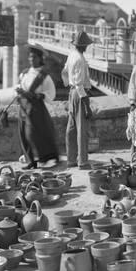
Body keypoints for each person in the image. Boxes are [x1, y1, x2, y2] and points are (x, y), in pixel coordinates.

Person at [15, 42, 58, 169]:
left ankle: (46, 157)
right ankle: (30, 161)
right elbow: (19, 86)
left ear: (40, 58)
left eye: (34, 57)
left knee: (32, 134)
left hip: (36, 110)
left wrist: (40, 96)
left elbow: (51, 93)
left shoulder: (44, 77)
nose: (31, 59)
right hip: (23, 108)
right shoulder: (25, 73)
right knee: (23, 134)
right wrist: (18, 92)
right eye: (30, 57)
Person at [61, 31, 94, 169]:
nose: (87, 47)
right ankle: (83, 161)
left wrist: (69, 85)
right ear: (82, 45)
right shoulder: (80, 59)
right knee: (82, 129)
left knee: (71, 128)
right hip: (80, 94)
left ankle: (71, 159)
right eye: (86, 45)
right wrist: (87, 105)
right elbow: (80, 84)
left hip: (72, 92)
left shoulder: (71, 55)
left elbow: (64, 72)